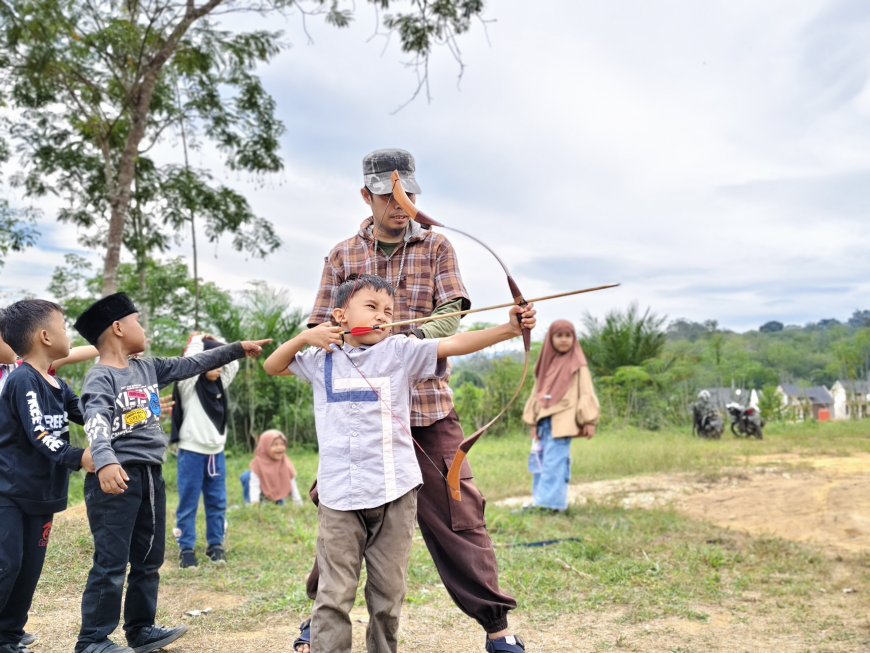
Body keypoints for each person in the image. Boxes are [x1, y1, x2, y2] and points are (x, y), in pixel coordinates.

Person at [295, 148, 526, 653]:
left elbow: (450, 319)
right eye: (389, 196)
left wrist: (399, 341)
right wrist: (336, 332)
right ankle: (317, 625)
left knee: (461, 515)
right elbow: (315, 327)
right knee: (340, 510)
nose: (402, 205)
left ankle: (496, 627)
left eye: (409, 195)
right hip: (358, 419)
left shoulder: (437, 246)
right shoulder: (342, 255)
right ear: (367, 196)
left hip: (427, 406)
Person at [264, 274, 536, 653]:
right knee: (333, 593)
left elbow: (455, 343)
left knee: (387, 595)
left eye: (388, 311)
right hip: (339, 496)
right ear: (340, 316)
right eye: (371, 308)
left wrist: (509, 329)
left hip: (395, 493)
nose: (381, 317)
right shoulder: (320, 358)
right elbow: (272, 366)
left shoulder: (400, 350)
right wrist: (304, 338)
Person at [72, 292, 270, 653]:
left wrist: (237, 348)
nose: (143, 329)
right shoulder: (100, 378)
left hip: (150, 476)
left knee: (149, 559)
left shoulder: (148, 369)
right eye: (138, 322)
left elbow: (196, 363)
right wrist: (105, 459)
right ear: (118, 328)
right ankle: (93, 641)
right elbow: (96, 422)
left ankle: (141, 630)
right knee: (111, 563)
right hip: (115, 478)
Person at [0, 300, 96, 653]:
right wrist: (79, 457)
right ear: (44, 336)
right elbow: (40, 433)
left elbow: (86, 414)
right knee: (7, 565)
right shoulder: (24, 380)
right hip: (9, 493)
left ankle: (8, 637)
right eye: (64, 326)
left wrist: (125, 417)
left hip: (42, 495)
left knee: (28, 572)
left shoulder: (58, 384)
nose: (68, 334)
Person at [170, 334, 239, 569]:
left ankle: (216, 545)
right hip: (191, 453)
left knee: (218, 501)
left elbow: (234, 361)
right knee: (189, 502)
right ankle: (186, 548)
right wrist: (199, 340)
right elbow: (190, 363)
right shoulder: (188, 386)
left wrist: (218, 341)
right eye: (212, 361)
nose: (218, 367)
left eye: (219, 362)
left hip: (215, 454)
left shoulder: (220, 383)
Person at [521, 320, 599, 513]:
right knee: (540, 463)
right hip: (544, 422)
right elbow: (537, 392)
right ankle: (541, 501)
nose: (564, 340)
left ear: (574, 338)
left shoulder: (577, 364)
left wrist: (589, 420)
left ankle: (552, 505)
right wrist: (533, 421)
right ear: (551, 338)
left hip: (563, 421)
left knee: (555, 463)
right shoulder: (546, 363)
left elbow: (586, 391)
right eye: (559, 335)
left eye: (568, 335)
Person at [240, 429, 304, 506]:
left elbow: (292, 484)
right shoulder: (258, 462)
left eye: (282, 444)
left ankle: (275, 501)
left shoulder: (285, 463)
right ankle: (249, 503)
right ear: (265, 446)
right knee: (247, 476)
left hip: (277, 495)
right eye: (275, 445)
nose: (279, 447)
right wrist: (254, 504)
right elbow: (254, 485)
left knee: (280, 506)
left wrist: (298, 503)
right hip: (261, 494)